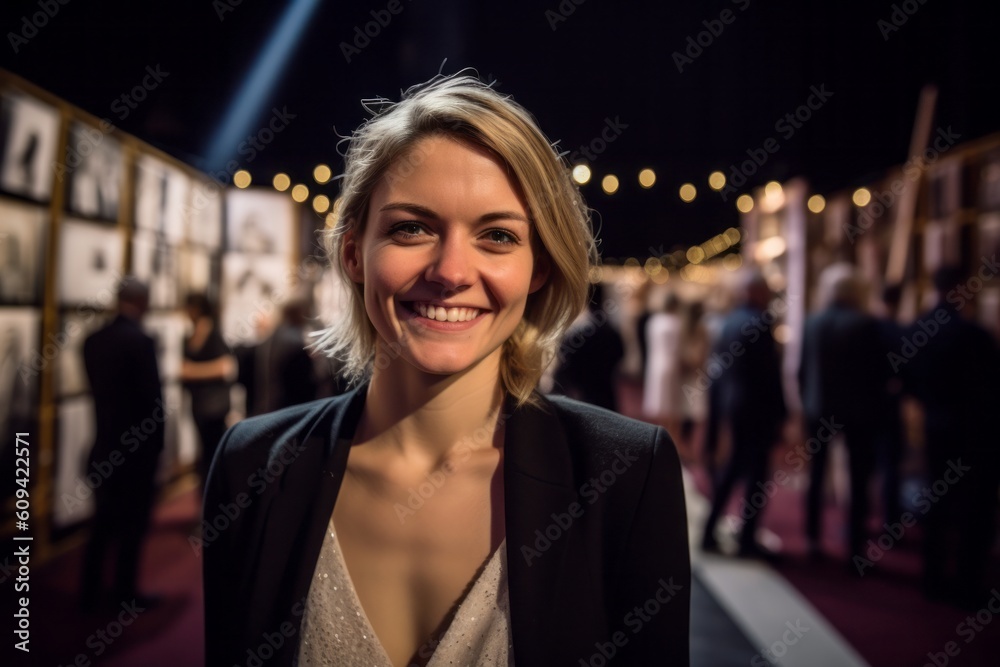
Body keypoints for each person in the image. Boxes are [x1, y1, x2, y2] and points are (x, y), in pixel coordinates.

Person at [203, 74, 690, 666]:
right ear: (354, 252)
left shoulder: (627, 476)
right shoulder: (250, 467)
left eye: (497, 235)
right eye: (412, 227)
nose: (452, 270)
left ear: (538, 267)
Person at [907, 266, 1000, 607]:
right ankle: (967, 582)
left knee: (938, 500)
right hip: (972, 432)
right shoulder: (972, 334)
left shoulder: (921, 328)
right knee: (973, 508)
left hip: (936, 427)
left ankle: (933, 578)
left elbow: (906, 378)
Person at [79, 277, 163, 611]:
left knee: (100, 524)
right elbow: (152, 406)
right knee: (132, 527)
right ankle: (124, 593)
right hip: (136, 454)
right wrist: (157, 448)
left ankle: (89, 593)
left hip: (103, 445)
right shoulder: (140, 342)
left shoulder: (93, 341)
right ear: (142, 302)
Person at [797, 268, 886, 561]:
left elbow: (801, 370)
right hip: (858, 412)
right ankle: (856, 548)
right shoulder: (866, 324)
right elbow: (879, 373)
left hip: (819, 408)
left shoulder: (812, 323)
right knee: (858, 479)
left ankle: (812, 540)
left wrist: (805, 403)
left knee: (817, 475)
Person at [700, 270, 786, 558]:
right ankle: (746, 538)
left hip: (734, 406)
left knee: (734, 470)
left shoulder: (729, 321)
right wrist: (782, 413)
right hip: (757, 410)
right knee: (755, 476)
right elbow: (769, 376)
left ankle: (710, 530)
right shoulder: (760, 323)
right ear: (759, 293)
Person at [180, 293, 235, 491]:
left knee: (213, 452)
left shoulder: (213, 332)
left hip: (214, 404)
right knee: (205, 451)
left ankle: (214, 495)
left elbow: (225, 367)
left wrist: (192, 371)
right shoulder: (191, 335)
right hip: (200, 403)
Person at [552, 282, 625, 411]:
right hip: (604, 391)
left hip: (583, 395)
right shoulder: (609, 329)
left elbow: (566, 362)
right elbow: (620, 353)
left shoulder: (580, 332)